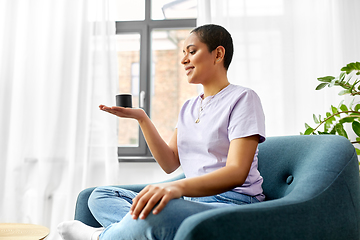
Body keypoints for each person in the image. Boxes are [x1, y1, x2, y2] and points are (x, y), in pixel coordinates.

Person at [58, 24, 266, 240]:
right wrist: (142, 118)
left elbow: (236, 172)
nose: (184, 60)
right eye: (183, 53)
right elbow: (170, 163)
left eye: (192, 51)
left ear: (218, 54)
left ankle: (100, 237)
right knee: (99, 196)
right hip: (192, 203)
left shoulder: (243, 99)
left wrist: (176, 188)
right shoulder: (188, 107)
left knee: (158, 213)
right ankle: (127, 233)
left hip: (231, 203)